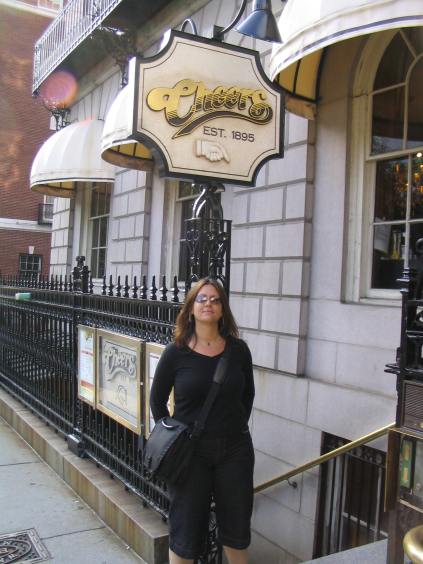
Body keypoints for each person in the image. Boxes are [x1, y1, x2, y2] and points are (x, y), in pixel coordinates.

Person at [150, 277, 255, 564]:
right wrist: (175, 438)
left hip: (234, 450)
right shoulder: (176, 352)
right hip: (190, 454)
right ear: (191, 308)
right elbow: (157, 401)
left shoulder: (238, 351)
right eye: (202, 298)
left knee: (236, 530)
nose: (209, 303)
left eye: (215, 299)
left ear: (222, 309)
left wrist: (231, 427)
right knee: (185, 532)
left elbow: (248, 396)